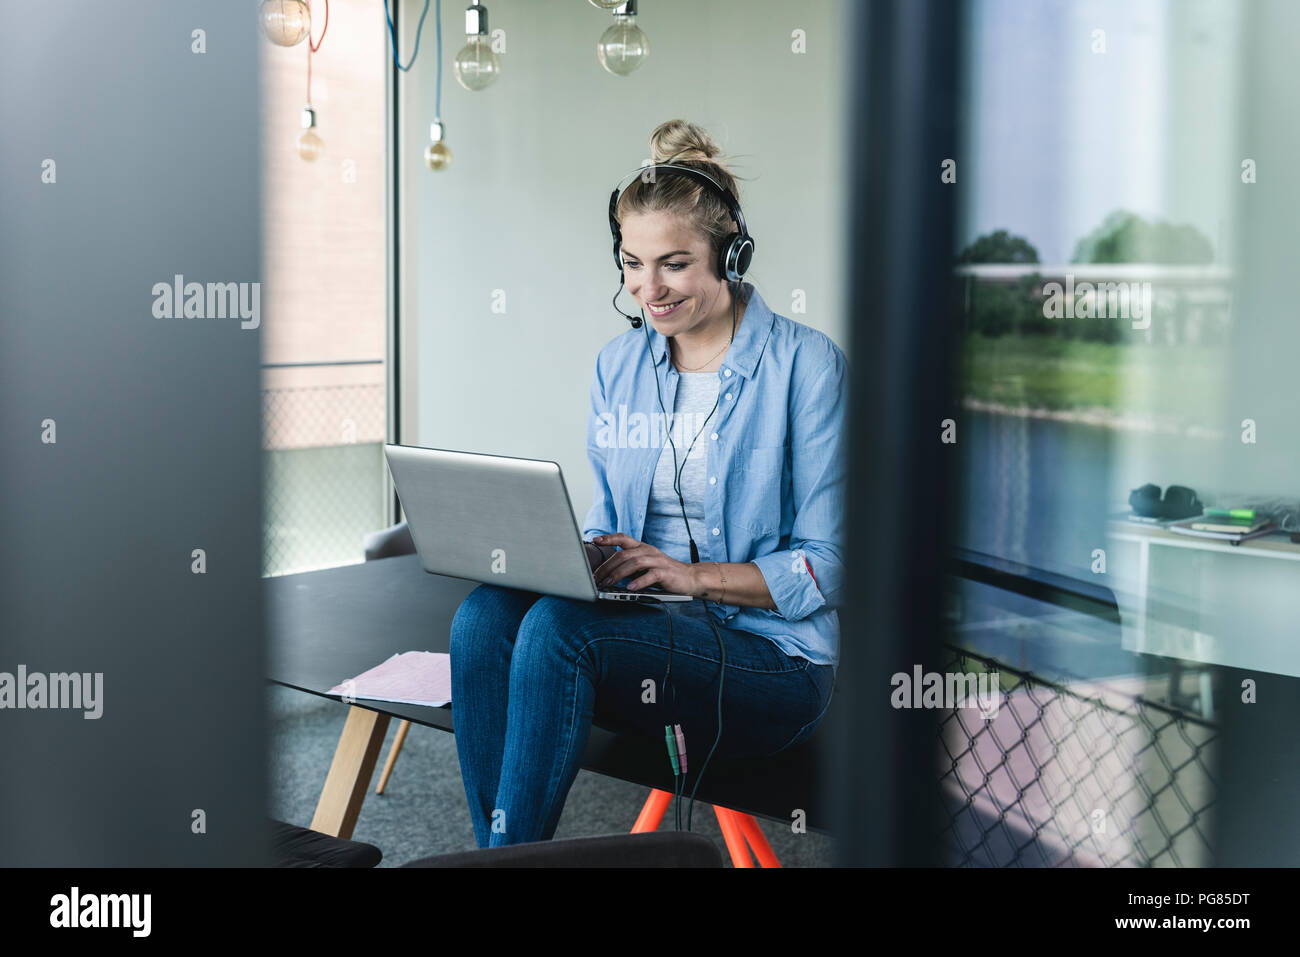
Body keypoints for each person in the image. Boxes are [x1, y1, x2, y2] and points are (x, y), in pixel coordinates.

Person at [449, 119, 848, 848]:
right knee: (484, 614)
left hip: (776, 663)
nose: (647, 289)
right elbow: (610, 519)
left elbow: (833, 562)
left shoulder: (807, 366)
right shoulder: (618, 366)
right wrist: (585, 557)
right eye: (632, 263)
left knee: (558, 632)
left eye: (673, 264)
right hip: (653, 638)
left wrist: (694, 578)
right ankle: (497, 859)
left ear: (732, 256)